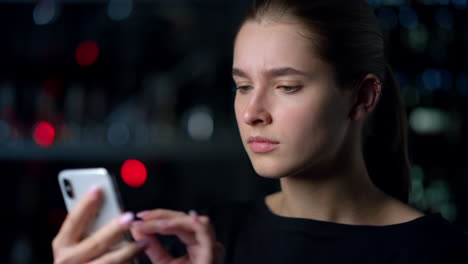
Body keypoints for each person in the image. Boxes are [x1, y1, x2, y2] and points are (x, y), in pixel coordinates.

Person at [51, 0, 468, 263]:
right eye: (243, 86)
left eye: (286, 87)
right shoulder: (207, 239)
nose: (251, 113)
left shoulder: (440, 252)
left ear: (362, 97)